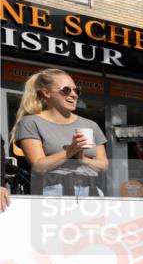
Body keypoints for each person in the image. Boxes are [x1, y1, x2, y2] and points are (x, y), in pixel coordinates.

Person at [13, 68, 108, 196]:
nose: (74, 95)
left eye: (76, 90)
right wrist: (70, 151)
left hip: (92, 190)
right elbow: (39, 167)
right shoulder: (30, 122)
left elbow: (104, 165)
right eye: (66, 90)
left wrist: (83, 159)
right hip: (54, 191)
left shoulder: (90, 125)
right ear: (46, 93)